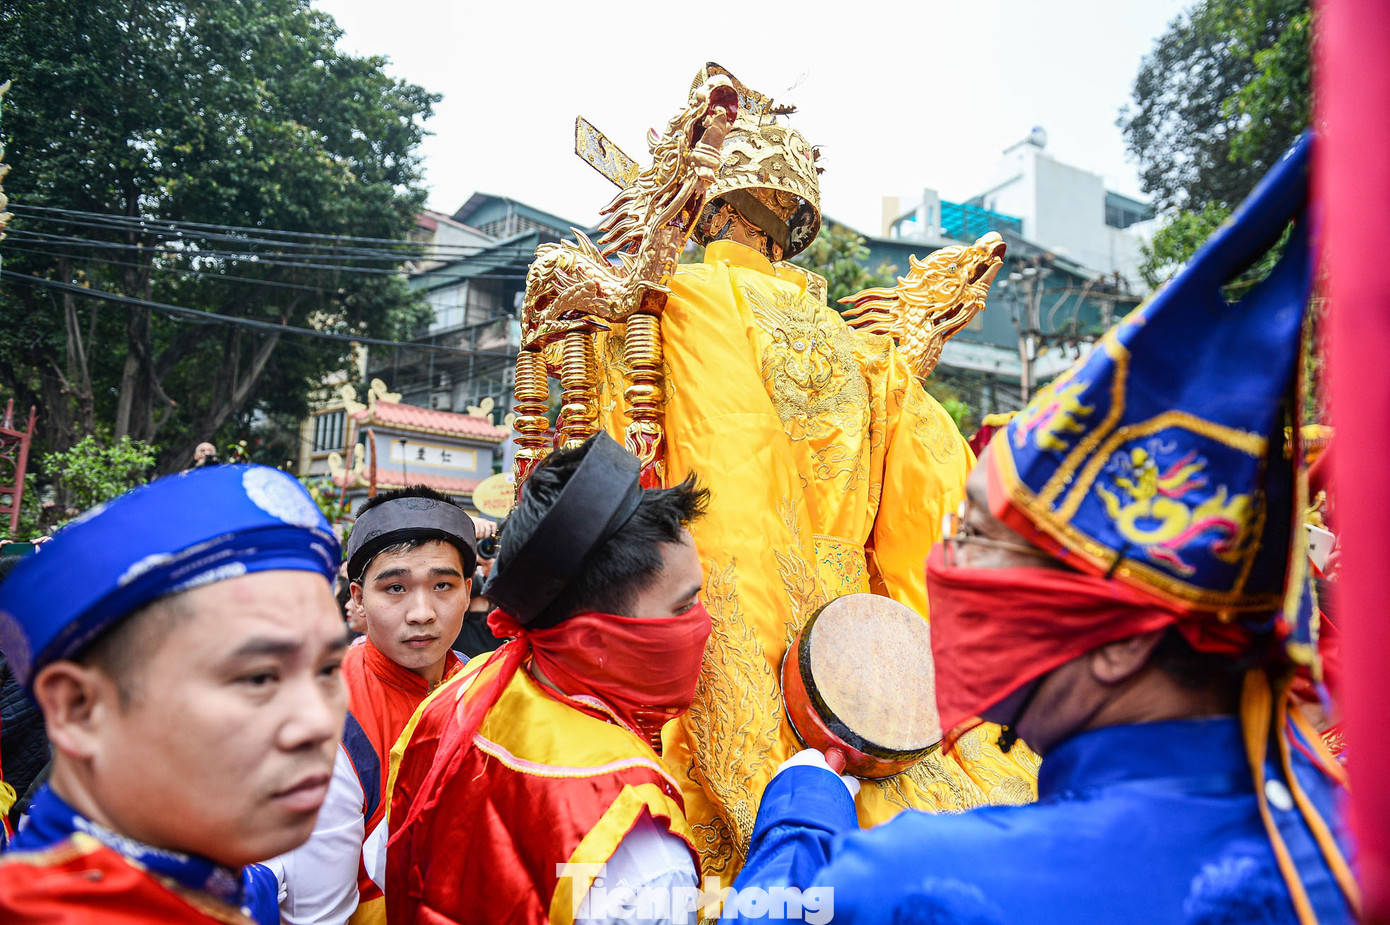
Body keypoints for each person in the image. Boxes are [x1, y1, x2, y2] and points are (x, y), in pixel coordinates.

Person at [727, 134, 1357, 923]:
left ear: (1123, 640)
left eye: (986, 544)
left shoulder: (915, 880)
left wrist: (801, 807)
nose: (950, 571)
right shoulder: (1345, 842)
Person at [521, 62, 1036, 884]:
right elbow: (925, 517)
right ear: (796, 217)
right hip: (855, 655)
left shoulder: (676, 306)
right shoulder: (870, 358)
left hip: (720, 619)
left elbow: (624, 467)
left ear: (717, 206)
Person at [0, 464, 347, 924]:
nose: (319, 722)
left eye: (328, 668)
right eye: (259, 678)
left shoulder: (227, 891)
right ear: (78, 708)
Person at [386, 432, 709, 924]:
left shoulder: (459, 693)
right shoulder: (637, 841)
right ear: (594, 641)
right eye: (683, 606)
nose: (703, 623)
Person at [266, 485, 477, 925]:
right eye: (395, 588)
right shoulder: (325, 718)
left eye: (442, 585)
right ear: (358, 599)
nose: (422, 612)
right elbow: (318, 915)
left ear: (468, 590)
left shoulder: (485, 684)